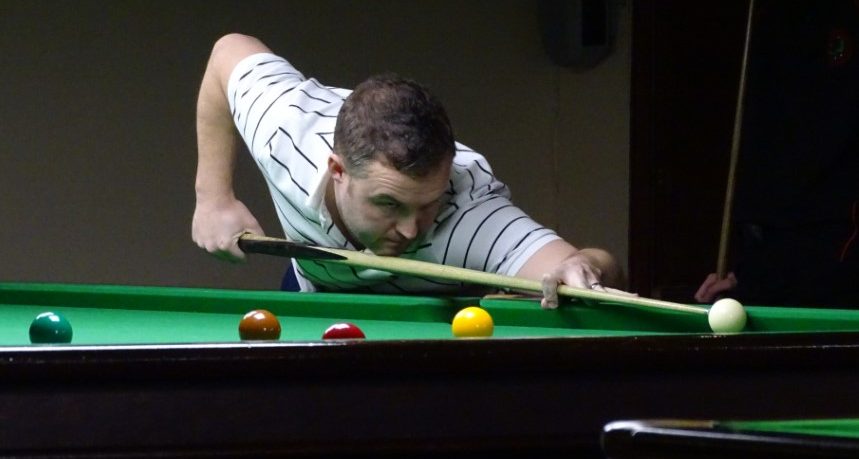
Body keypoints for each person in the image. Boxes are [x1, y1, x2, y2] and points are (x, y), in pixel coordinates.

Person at [192, 33, 625, 308]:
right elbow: (228, 51)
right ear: (338, 170)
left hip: (433, 317)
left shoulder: (469, 211)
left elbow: (588, 266)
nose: (411, 230)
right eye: (389, 203)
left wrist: (583, 266)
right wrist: (213, 198)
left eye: (426, 205)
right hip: (319, 289)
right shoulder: (289, 132)